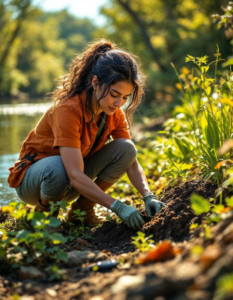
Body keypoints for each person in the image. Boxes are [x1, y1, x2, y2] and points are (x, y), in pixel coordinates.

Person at [8, 39, 166, 231]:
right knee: (58, 167)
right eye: (114, 94)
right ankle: (44, 216)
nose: (119, 103)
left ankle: (81, 211)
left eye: (125, 97)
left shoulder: (113, 112)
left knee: (126, 148)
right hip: (34, 182)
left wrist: (148, 194)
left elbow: (130, 160)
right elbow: (74, 174)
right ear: (95, 82)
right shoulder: (67, 109)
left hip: (70, 178)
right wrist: (118, 207)